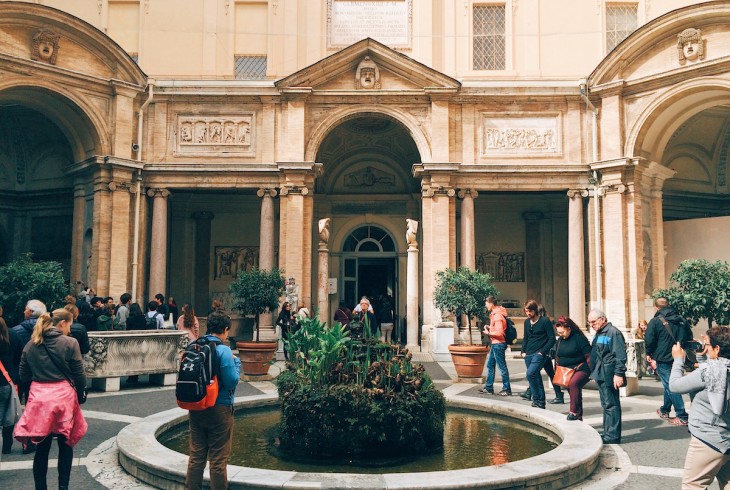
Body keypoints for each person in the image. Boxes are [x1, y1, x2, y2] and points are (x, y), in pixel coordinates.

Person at [14, 309, 88, 490]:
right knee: (66, 445)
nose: (70, 329)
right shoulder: (70, 343)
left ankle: (41, 488)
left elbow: (23, 376)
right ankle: (63, 487)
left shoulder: (31, 344)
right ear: (62, 323)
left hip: (39, 400)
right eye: (69, 324)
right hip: (63, 399)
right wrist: (80, 395)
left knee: (41, 448)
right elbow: (79, 374)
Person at [185, 310, 241, 490]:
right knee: (218, 459)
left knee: (196, 456)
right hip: (220, 408)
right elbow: (232, 381)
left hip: (196, 405)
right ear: (225, 329)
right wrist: (237, 363)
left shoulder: (195, 345)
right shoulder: (224, 350)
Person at [670, 326, 730, 489]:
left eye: (709, 345)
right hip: (727, 438)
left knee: (693, 485)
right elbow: (712, 385)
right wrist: (703, 358)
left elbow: (675, 386)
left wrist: (678, 360)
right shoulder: (720, 369)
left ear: (717, 349)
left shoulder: (710, 371)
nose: (706, 347)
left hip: (708, 439)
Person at [645, 297, 690, 426]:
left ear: (657, 307)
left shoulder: (655, 321)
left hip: (663, 357)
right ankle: (665, 409)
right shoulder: (681, 320)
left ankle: (682, 415)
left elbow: (649, 339)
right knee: (669, 383)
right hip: (679, 356)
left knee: (671, 385)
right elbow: (689, 336)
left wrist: (649, 353)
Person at [588, 308, 626, 444]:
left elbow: (620, 355)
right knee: (606, 405)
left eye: (593, 321)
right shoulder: (600, 333)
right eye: (589, 322)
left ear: (602, 319)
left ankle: (612, 436)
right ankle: (608, 432)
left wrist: (619, 374)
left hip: (609, 373)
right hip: (600, 373)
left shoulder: (613, 333)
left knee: (612, 405)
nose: (591, 325)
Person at [554, 316, 591, 421]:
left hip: (581, 368)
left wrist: (593, 371)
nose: (560, 335)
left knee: (573, 384)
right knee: (573, 392)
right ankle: (578, 415)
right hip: (566, 371)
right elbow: (557, 355)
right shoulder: (560, 340)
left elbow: (588, 356)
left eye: (562, 332)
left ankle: (573, 412)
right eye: (559, 333)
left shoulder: (579, 338)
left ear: (569, 328)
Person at [520, 300, 555, 409]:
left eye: (530, 311)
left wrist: (542, 352)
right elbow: (526, 338)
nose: (528, 313)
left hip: (539, 354)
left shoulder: (545, 321)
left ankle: (536, 399)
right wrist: (523, 351)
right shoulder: (526, 322)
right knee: (536, 378)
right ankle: (540, 403)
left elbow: (552, 338)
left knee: (530, 374)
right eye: (526, 311)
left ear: (535, 310)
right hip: (528, 354)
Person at [479, 296, 512, 396]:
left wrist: (488, 333)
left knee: (501, 367)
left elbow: (499, 332)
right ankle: (489, 388)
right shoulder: (495, 314)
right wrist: (490, 327)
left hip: (498, 343)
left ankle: (507, 389)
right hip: (495, 343)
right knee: (490, 365)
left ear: (491, 304)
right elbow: (497, 329)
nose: (485, 305)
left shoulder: (497, 315)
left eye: (486, 303)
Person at [1, 307, 23, 455]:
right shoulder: (13, 334)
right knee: (8, 415)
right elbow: (19, 358)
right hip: (7, 381)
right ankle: (7, 446)